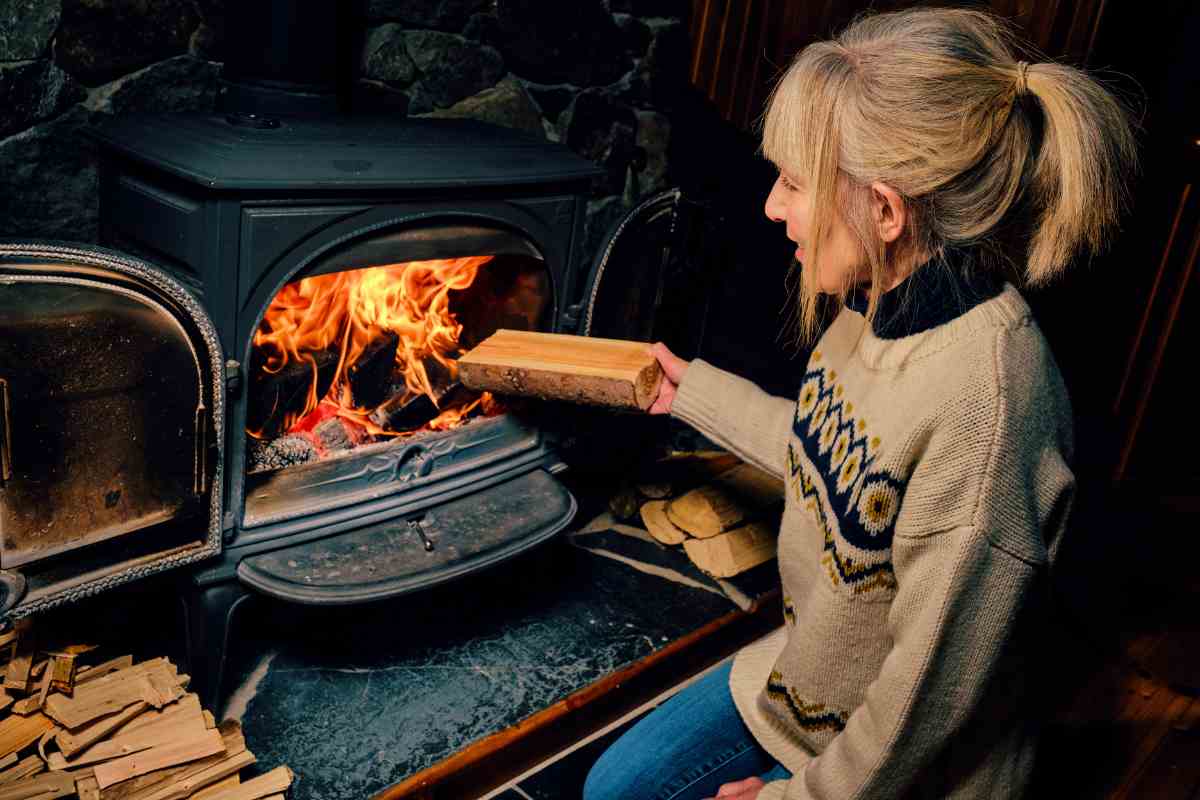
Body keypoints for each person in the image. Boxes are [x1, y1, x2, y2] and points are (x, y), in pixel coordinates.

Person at [583, 7, 1135, 800]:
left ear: (885, 209)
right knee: (613, 787)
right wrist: (689, 392)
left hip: (899, 769)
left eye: (796, 183)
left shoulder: (989, 413)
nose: (773, 207)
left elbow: (927, 705)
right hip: (801, 687)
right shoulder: (874, 304)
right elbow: (831, 464)